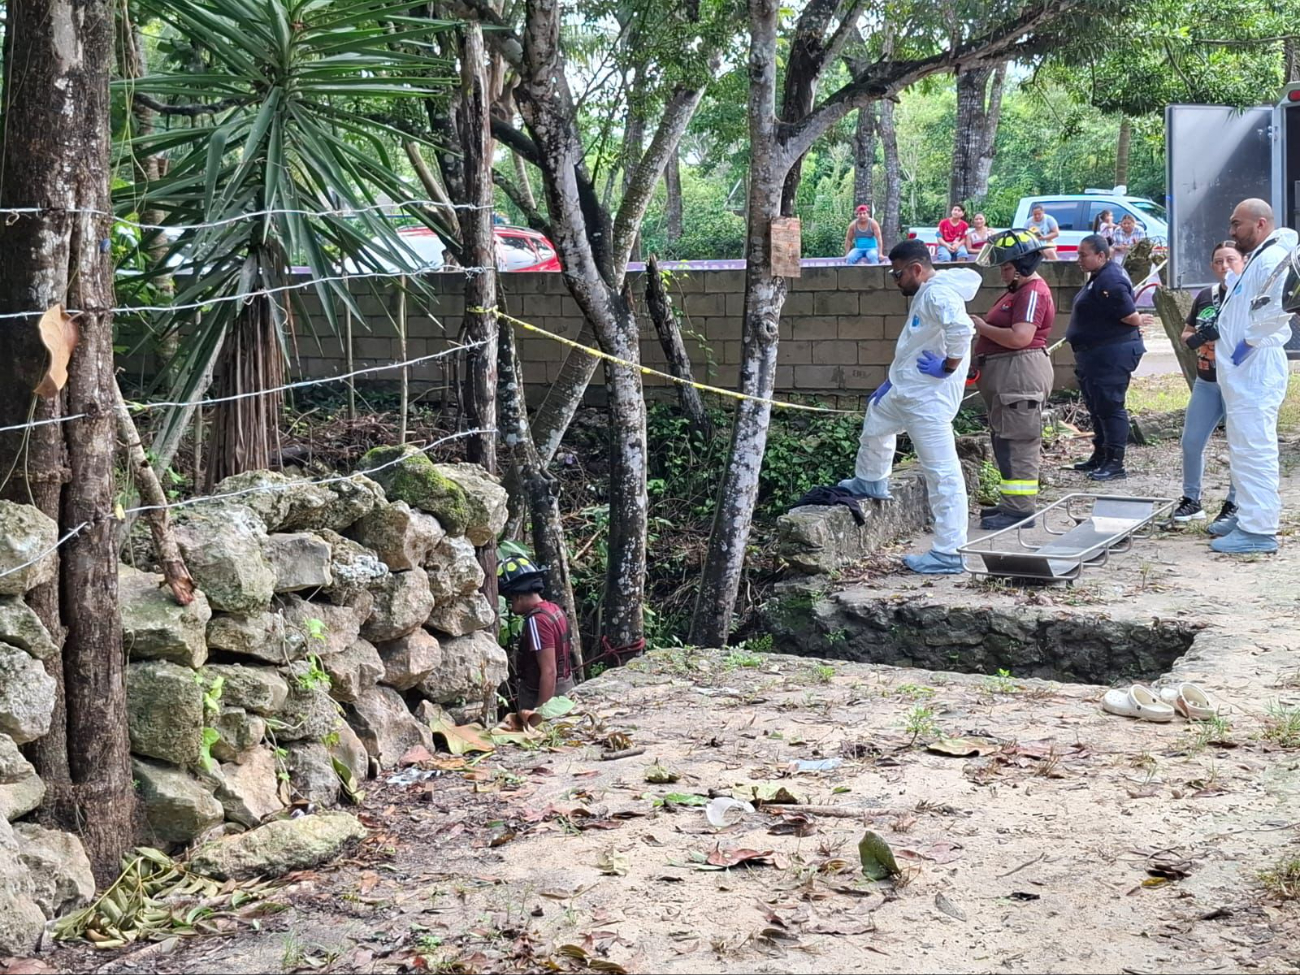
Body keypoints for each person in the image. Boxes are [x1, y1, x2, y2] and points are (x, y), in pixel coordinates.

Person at [838, 239, 980, 574]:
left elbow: (962, 329)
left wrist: (948, 366)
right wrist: (893, 379)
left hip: (927, 402)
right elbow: (917, 343)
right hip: (906, 392)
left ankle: (949, 551)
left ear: (916, 269)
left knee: (942, 473)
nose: (894, 279)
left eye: (897, 273)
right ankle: (871, 479)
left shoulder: (936, 294)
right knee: (876, 420)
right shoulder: (926, 294)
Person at [1207, 199, 1300, 554]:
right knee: (1243, 448)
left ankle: (1259, 529)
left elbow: (1276, 311)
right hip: (1244, 368)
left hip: (1254, 367)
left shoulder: (1273, 258)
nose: (1231, 233)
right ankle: (1248, 514)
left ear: (1260, 224)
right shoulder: (1262, 256)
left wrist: (1245, 346)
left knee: (1254, 448)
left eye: (1237, 225)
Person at [969, 229, 1057, 530]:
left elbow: (1021, 337)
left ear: (1022, 265)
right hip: (1006, 376)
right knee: (1005, 439)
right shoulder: (1017, 290)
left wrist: (982, 328)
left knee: (1019, 441)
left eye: (1006, 266)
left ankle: (1020, 510)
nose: (1002, 272)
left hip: (1020, 375)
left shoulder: (1032, 292)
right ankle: (1011, 503)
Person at [1067, 234, 1151, 480]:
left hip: (1111, 354)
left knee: (1110, 406)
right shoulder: (1099, 276)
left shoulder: (1111, 279)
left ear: (1101, 256)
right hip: (1093, 354)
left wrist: (1138, 321)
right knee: (1096, 406)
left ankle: (1115, 463)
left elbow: (1128, 313)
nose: (1078, 259)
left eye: (1083, 255)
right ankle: (1100, 454)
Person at [1171, 241, 1243, 525]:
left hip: (1236, 381)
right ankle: (1191, 500)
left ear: (1243, 262)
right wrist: (1199, 338)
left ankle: (1234, 502)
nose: (1224, 266)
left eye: (1230, 260)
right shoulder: (1205, 296)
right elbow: (1186, 333)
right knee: (1191, 441)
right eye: (1218, 262)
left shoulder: (1245, 295)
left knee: (1239, 443)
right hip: (1207, 380)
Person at [498, 555, 575, 710]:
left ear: (518, 597)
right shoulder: (555, 609)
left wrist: (539, 714)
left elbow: (549, 671)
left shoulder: (536, 620)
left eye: (510, 600)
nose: (510, 607)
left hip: (545, 695)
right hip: (566, 686)